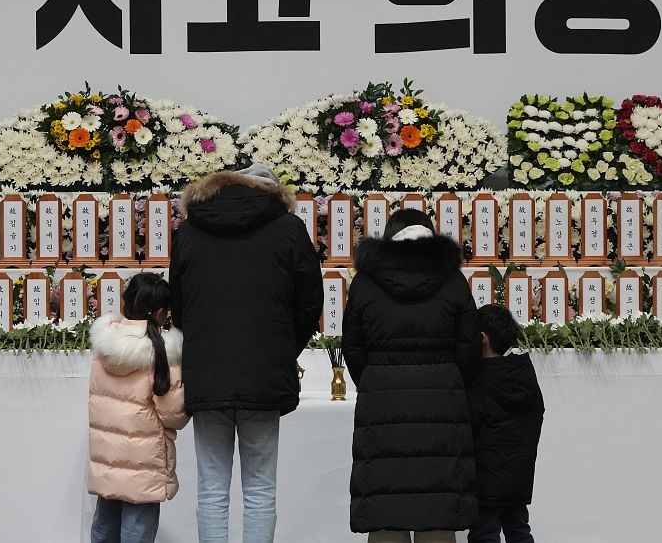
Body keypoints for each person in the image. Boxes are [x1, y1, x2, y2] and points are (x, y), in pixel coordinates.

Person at [169, 164, 324, 543]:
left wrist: (203, 344)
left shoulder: (190, 230)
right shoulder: (288, 228)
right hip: (264, 371)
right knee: (259, 488)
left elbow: (178, 302)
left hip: (207, 372)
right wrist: (283, 348)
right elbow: (310, 301)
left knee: (211, 488)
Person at [343, 208, 482, 542]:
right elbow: (469, 343)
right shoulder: (451, 280)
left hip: (381, 395)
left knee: (384, 507)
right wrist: (448, 378)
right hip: (441, 394)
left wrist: (375, 380)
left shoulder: (366, 281)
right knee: (438, 506)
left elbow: (353, 345)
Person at [87, 273, 187, 543]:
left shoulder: (104, 345)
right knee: (137, 531)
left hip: (107, 457)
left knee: (103, 528)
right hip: (145, 461)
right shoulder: (162, 352)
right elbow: (174, 415)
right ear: (159, 312)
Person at [467, 305, 545, 543]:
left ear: (481, 339)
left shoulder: (479, 380)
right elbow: (538, 414)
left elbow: (469, 426)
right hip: (519, 476)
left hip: (485, 480)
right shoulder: (524, 373)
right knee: (519, 529)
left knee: (484, 533)